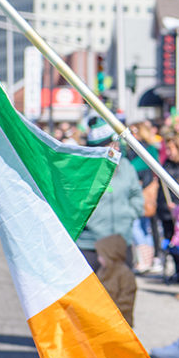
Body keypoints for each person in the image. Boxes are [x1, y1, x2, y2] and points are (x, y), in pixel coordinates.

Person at [75, 118, 143, 275]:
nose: (116, 147)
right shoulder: (85, 170)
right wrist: (90, 223)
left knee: (122, 294)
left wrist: (129, 215)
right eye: (109, 143)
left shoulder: (126, 166)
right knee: (92, 296)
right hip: (90, 244)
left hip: (120, 241)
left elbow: (136, 195)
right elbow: (78, 203)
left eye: (116, 142)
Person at [94, 234, 137, 326]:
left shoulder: (125, 274)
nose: (98, 259)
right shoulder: (102, 271)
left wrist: (111, 315)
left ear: (110, 255)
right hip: (101, 318)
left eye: (101, 255)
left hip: (119, 321)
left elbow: (126, 301)